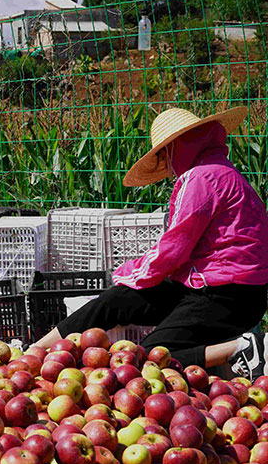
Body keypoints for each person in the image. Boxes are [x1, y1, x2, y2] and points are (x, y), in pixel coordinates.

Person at [34, 106, 268, 380]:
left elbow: (173, 251)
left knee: (148, 359)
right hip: (211, 286)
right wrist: (128, 281)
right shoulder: (216, 171)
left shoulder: (201, 178)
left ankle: (240, 349)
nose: (165, 166)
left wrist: (129, 272)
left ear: (173, 148)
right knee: (115, 300)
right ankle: (35, 352)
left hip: (228, 295)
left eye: (163, 155)